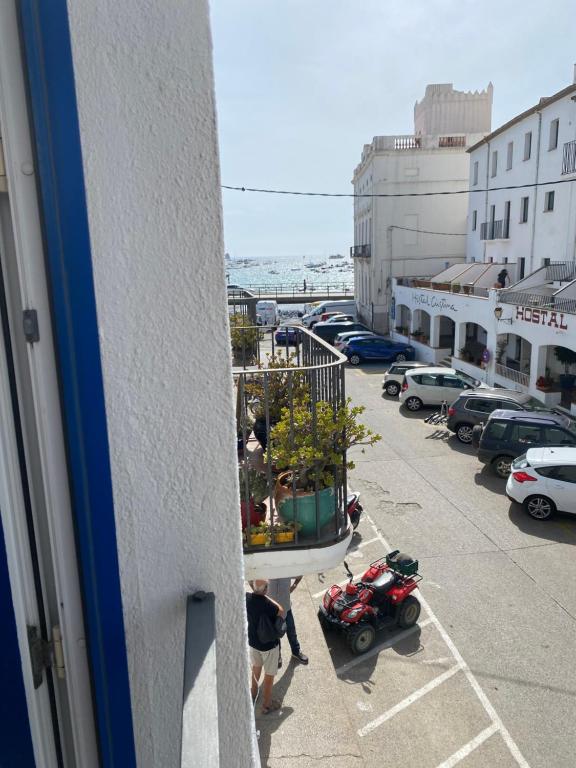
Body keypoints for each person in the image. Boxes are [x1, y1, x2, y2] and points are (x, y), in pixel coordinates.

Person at [246, 580, 284, 714]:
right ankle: (266, 705)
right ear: (265, 589)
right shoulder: (269, 605)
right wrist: (265, 596)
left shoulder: (247, 599)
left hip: (253, 644)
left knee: (256, 670)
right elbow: (281, 610)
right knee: (269, 677)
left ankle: (253, 694)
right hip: (269, 646)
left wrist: (258, 593)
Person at [267, 577, 308, 667]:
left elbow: (300, 574)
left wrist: (294, 586)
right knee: (275, 636)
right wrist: (258, 593)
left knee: (291, 632)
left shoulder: (286, 567)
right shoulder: (267, 569)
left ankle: (296, 651)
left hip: (286, 608)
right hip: (272, 610)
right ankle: (278, 656)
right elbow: (251, 580)